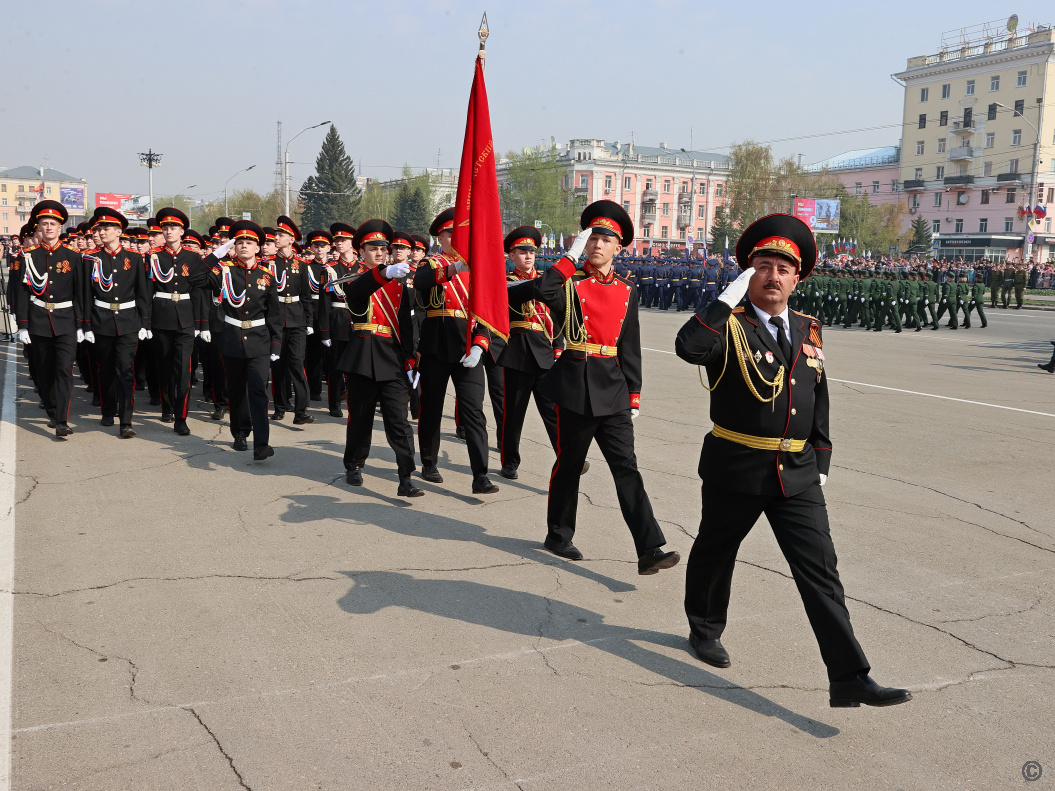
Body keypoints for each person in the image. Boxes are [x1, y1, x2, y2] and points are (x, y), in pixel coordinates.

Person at [674, 213, 911, 708]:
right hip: (736, 466)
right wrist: (723, 300)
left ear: (798, 278)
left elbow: (816, 392)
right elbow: (688, 348)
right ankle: (704, 629)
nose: (774, 275)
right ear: (749, 273)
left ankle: (849, 675)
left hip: (797, 473)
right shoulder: (728, 326)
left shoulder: (807, 327)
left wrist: (821, 454)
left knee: (821, 571)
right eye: (764, 265)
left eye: (784, 267)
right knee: (716, 552)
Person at [530, 200, 679, 574]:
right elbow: (543, 289)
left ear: (619, 247)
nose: (597, 244)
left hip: (612, 388)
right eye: (593, 237)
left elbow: (630, 346)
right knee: (570, 464)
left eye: (605, 239)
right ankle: (558, 534)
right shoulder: (569, 284)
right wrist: (568, 256)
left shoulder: (628, 291)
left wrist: (634, 394)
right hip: (576, 385)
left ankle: (649, 549)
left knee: (626, 468)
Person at [412, 208, 499, 494]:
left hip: (468, 346)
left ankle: (481, 475)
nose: (460, 239)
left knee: (474, 411)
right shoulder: (430, 263)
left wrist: (479, 344)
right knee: (432, 408)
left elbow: (486, 312)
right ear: (441, 236)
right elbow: (420, 282)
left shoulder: (477, 268)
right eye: (453, 233)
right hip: (437, 345)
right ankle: (428, 461)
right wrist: (452, 270)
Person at [335, 220, 422, 497]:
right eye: (373, 249)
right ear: (361, 252)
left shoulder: (399, 285)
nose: (380, 253)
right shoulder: (354, 279)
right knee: (360, 418)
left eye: (383, 249)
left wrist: (411, 361)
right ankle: (354, 464)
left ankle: (406, 476)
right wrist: (385, 274)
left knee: (399, 421)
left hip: (392, 359)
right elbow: (358, 294)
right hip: (362, 355)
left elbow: (406, 328)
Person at [204, 221, 281, 459]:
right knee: (236, 390)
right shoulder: (224, 271)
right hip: (232, 339)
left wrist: (276, 343)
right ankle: (239, 432)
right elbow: (196, 277)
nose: (244, 246)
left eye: (249, 243)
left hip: (259, 340)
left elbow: (274, 313)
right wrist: (217, 254)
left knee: (258, 390)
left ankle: (262, 443)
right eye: (239, 242)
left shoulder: (267, 275)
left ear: (258, 248)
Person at [497, 226, 566, 480]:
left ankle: (566, 456)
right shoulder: (506, 282)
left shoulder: (545, 282)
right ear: (511, 255)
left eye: (531, 252)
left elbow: (557, 316)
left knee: (553, 412)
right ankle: (510, 461)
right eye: (522, 251)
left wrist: (559, 346)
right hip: (518, 352)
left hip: (546, 353)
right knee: (514, 413)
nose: (528, 256)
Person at [16, 201, 88, 437]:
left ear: (60, 228)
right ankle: (51, 408)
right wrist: (23, 325)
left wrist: (81, 324)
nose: (48, 227)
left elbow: (80, 293)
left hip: (66, 321)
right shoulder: (28, 255)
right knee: (44, 372)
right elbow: (23, 293)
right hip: (38, 321)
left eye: (53, 224)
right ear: (39, 228)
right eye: (44, 224)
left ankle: (62, 421)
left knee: (64, 371)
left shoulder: (73, 256)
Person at [83, 207, 151, 438]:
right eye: (99, 229)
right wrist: (86, 325)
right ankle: (107, 408)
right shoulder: (91, 258)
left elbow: (143, 293)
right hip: (101, 321)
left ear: (118, 231)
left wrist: (145, 323)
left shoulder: (133, 258)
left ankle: (126, 420)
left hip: (128, 322)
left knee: (126, 370)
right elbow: (85, 294)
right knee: (105, 370)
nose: (101, 233)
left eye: (106, 229)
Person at [149, 207, 209, 435]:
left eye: (173, 227)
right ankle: (167, 405)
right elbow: (148, 290)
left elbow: (199, 292)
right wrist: (146, 322)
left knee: (183, 369)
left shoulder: (193, 258)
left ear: (182, 231)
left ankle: (181, 417)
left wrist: (202, 324)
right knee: (164, 366)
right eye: (165, 228)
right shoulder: (154, 256)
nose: (168, 231)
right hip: (161, 318)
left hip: (185, 319)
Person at [268, 215, 315, 424]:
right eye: (276, 235)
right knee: (277, 366)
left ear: (291, 239)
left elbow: (306, 296)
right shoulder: (268, 264)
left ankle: (301, 410)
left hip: (296, 320)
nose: (276, 238)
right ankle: (279, 406)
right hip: (276, 320)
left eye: (280, 235)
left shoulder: (302, 265)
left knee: (297, 364)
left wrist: (309, 322)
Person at [319, 223, 361, 418]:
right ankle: (334, 404)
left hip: (359, 321)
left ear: (352, 242)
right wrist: (324, 331)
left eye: (343, 240)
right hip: (337, 321)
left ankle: (355, 400)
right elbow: (324, 303)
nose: (339, 243)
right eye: (336, 241)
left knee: (358, 367)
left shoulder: (363, 268)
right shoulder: (330, 270)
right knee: (336, 367)